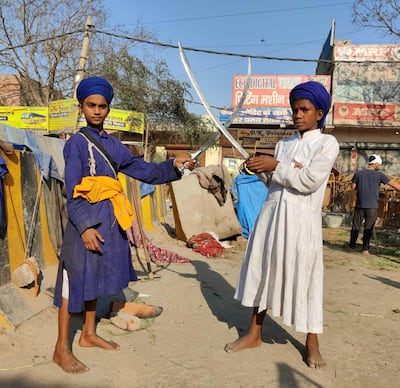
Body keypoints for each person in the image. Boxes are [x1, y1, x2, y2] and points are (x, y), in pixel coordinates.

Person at [52, 76, 196, 374]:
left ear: (108, 109)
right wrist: (85, 227)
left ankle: (89, 334)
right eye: (91, 105)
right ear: (81, 107)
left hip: (109, 223)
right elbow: (72, 191)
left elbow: (146, 171)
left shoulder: (114, 146)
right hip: (85, 225)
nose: (97, 111)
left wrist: (174, 166)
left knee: (97, 279)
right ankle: (60, 349)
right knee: (73, 282)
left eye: (102, 106)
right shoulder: (76, 145)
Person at [224, 81, 339, 369]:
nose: (297, 114)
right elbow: (277, 184)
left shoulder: (327, 143)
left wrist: (276, 166)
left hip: (301, 223)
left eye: (304, 109)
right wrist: (260, 169)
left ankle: (312, 343)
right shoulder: (283, 145)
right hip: (272, 217)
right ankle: (254, 333)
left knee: (307, 277)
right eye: (294, 109)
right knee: (263, 271)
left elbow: (310, 181)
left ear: (319, 112)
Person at [349, 154, 400, 254]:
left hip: (360, 204)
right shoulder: (379, 175)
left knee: (355, 226)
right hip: (372, 206)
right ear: (376, 164)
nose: (379, 166)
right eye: (379, 164)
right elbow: (393, 185)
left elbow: (352, 187)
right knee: (368, 227)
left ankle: (351, 247)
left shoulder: (358, 174)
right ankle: (365, 249)